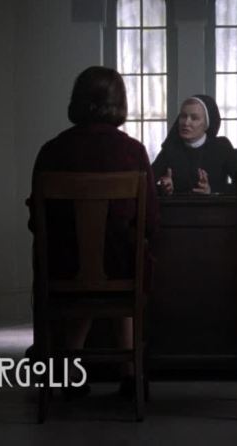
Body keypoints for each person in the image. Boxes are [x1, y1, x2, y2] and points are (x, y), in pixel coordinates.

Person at [27, 66, 158, 399]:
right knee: (122, 256)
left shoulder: (52, 150)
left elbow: (36, 222)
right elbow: (151, 221)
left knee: (84, 263)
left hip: (63, 271)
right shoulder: (133, 152)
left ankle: (69, 368)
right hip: (120, 271)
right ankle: (130, 371)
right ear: (120, 103)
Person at [152, 95, 237, 195]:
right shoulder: (170, 149)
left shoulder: (222, 147)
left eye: (194, 118)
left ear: (206, 124)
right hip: (179, 205)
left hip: (213, 205)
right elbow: (146, 183)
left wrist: (212, 191)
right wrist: (164, 189)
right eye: (183, 116)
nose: (186, 123)